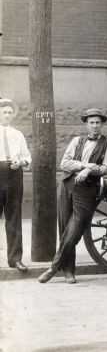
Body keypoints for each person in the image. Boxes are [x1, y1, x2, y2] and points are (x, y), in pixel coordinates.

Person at [38, 109, 107, 284]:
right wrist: (84, 165)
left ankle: (53, 267)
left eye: (97, 122)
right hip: (67, 185)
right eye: (91, 122)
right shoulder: (76, 141)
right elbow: (64, 163)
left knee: (75, 229)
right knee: (65, 228)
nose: (95, 126)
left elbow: (105, 168)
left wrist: (89, 170)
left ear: (101, 124)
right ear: (86, 124)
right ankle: (69, 271)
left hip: (88, 189)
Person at [0, 99, 31, 272]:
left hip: (14, 176)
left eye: (10, 113)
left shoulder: (18, 134)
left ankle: (15, 259)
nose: (7, 115)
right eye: (4, 112)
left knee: (14, 218)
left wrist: (20, 161)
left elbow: (28, 157)